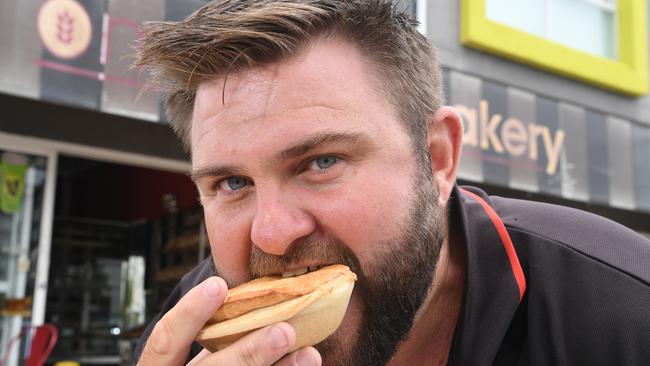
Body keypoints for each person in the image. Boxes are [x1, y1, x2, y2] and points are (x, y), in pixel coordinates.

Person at [132, 1, 650, 365]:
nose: (271, 234)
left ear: (438, 158)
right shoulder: (187, 339)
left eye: (322, 161)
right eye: (232, 182)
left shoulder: (621, 309)